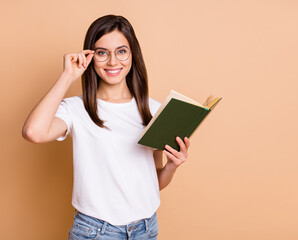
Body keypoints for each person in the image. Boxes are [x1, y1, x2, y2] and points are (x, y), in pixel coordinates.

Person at [22, 14, 190, 240]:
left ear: (132, 55)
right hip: (95, 232)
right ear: (90, 56)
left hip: (146, 230)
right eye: (102, 53)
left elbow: (154, 183)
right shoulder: (76, 109)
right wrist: (67, 75)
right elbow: (33, 132)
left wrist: (171, 167)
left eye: (121, 51)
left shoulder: (154, 110)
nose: (113, 62)